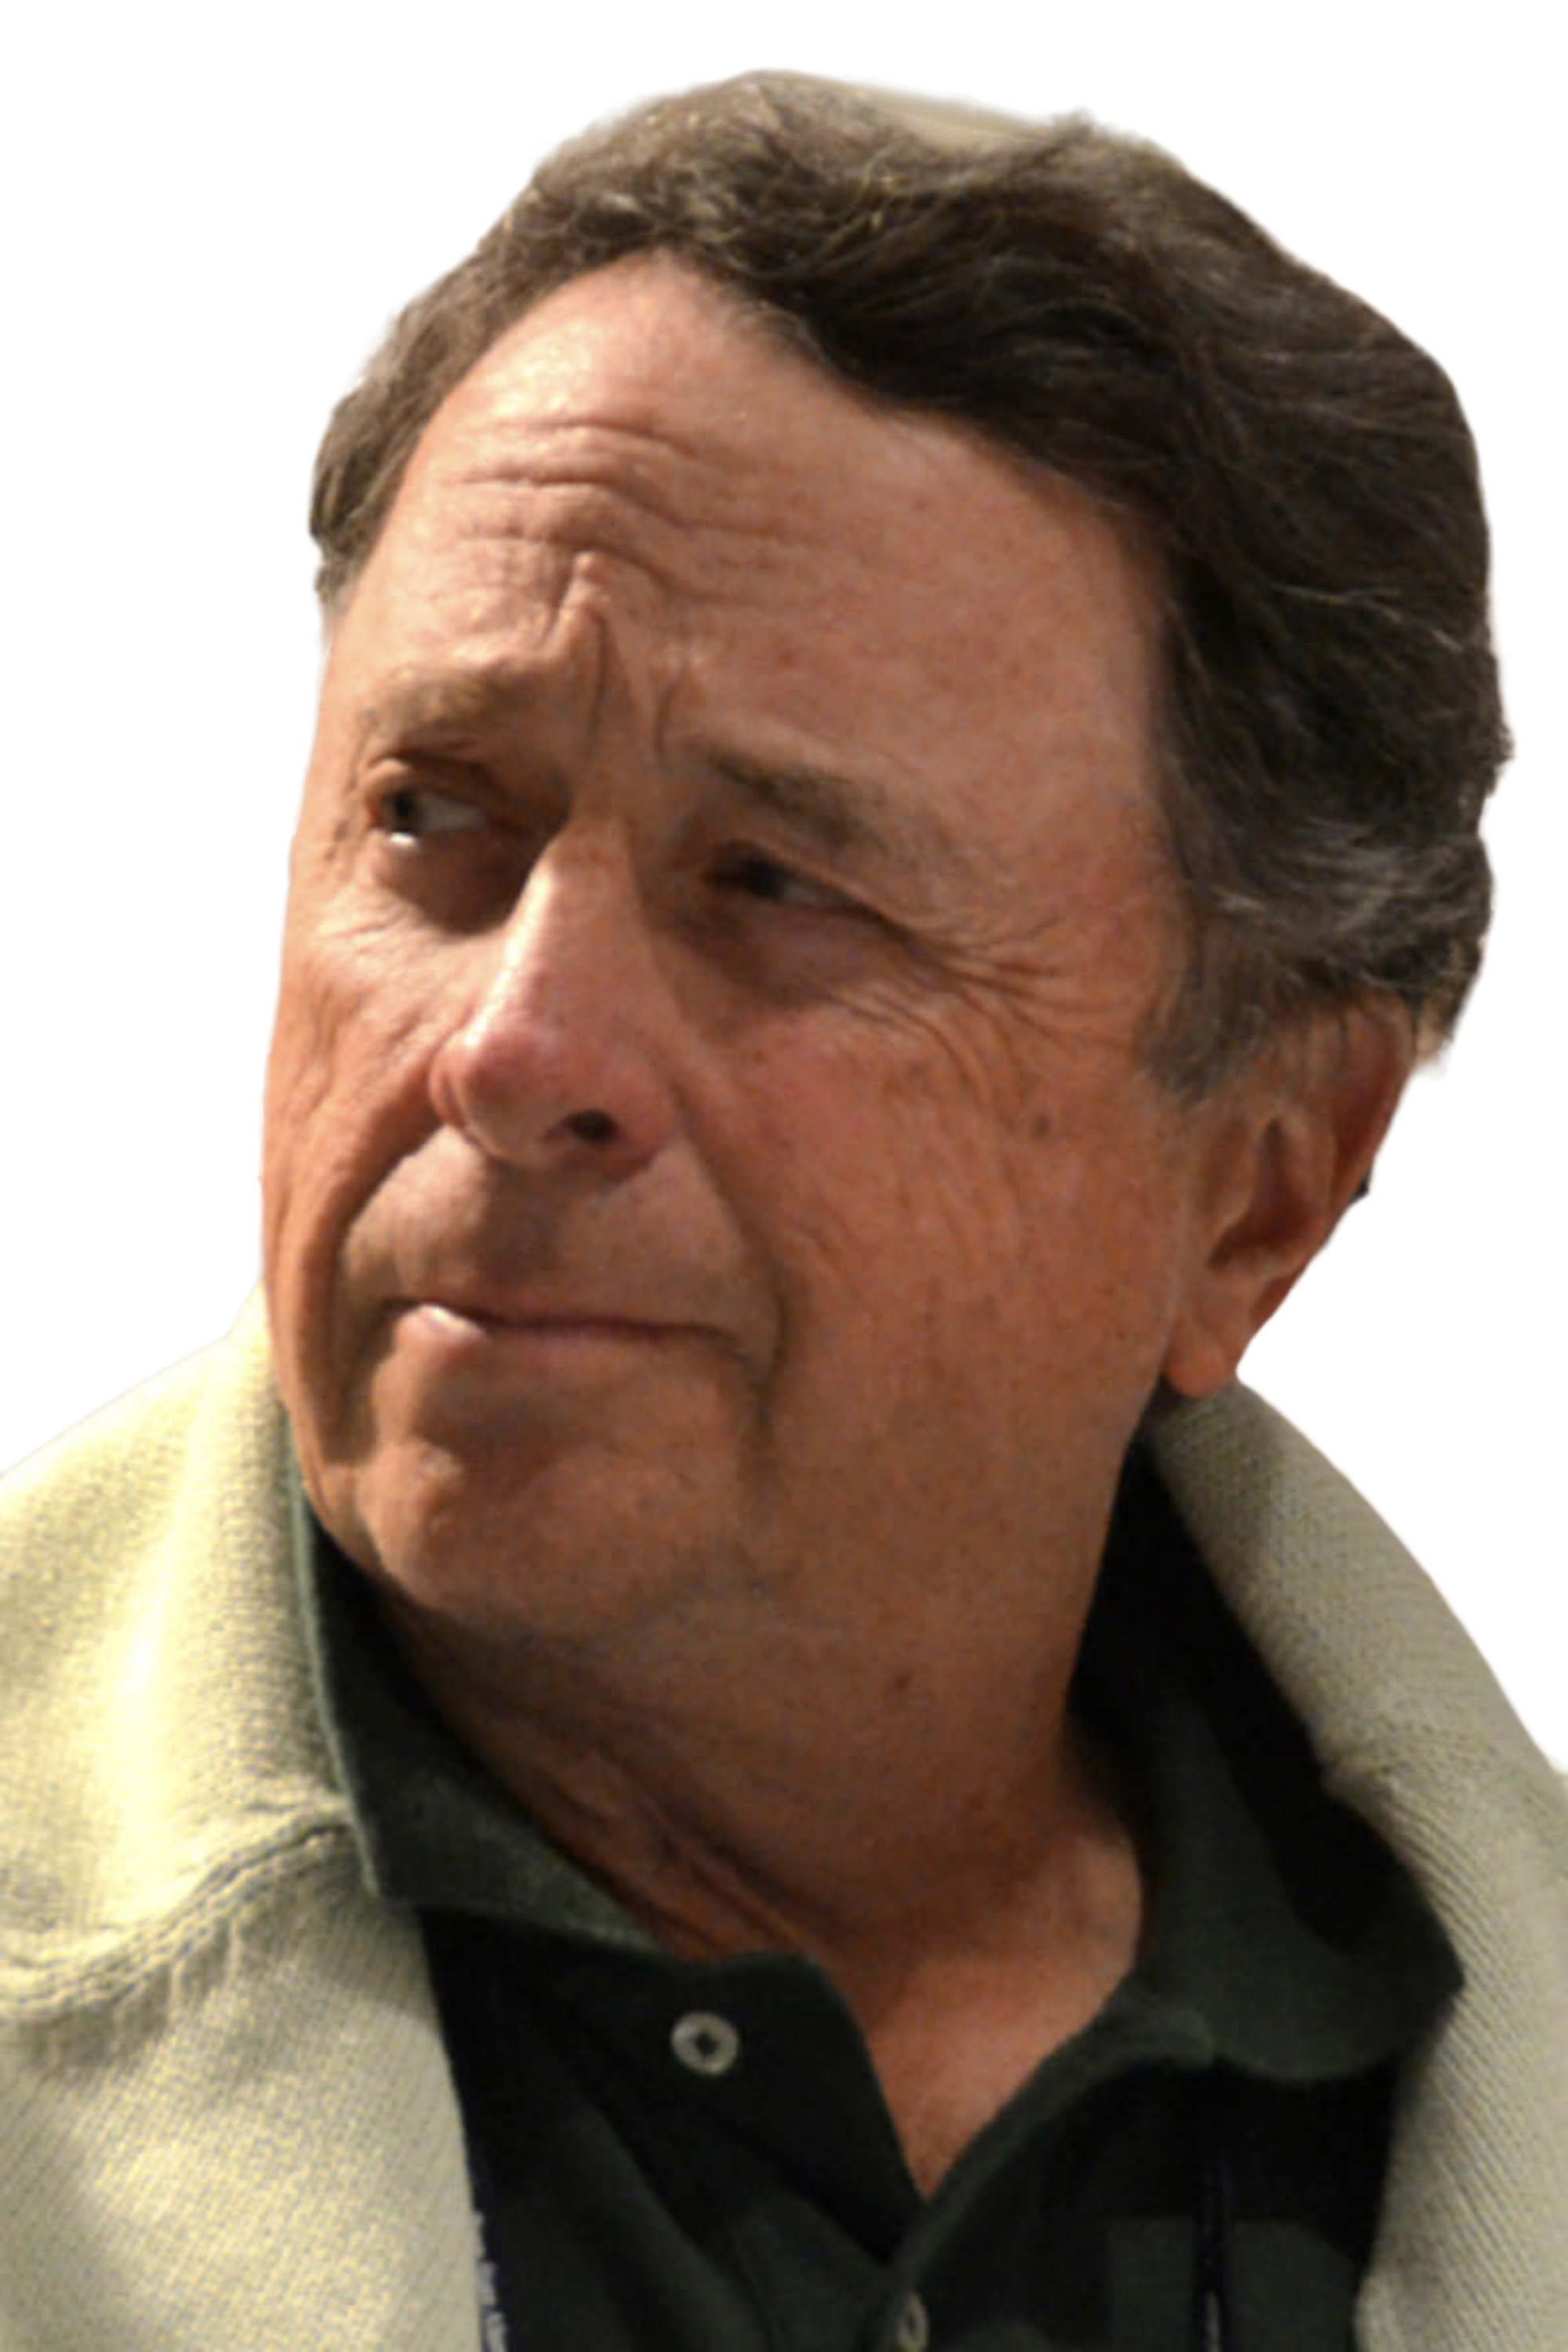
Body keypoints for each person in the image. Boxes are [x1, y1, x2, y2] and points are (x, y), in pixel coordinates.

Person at [2, 68, 1560, 2352]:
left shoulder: (1478, 2050)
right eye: (431, 820)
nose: (511, 1051)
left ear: (1264, 1181)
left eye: (770, 886)